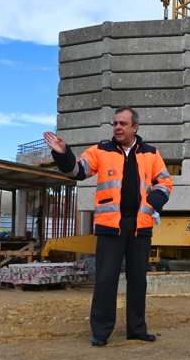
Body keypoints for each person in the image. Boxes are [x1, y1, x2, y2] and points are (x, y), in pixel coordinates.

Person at [44, 107, 172, 346]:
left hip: (140, 228)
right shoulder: (101, 150)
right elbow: (78, 171)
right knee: (105, 280)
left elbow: (164, 180)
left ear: (135, 128)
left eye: (123, 123)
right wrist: (63, 154)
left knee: (137, 281)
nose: (118, 127)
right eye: (115, 123)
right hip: (110, 228)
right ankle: (101, 331)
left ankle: (136, 328)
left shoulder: (151, 153)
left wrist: (156, 199)